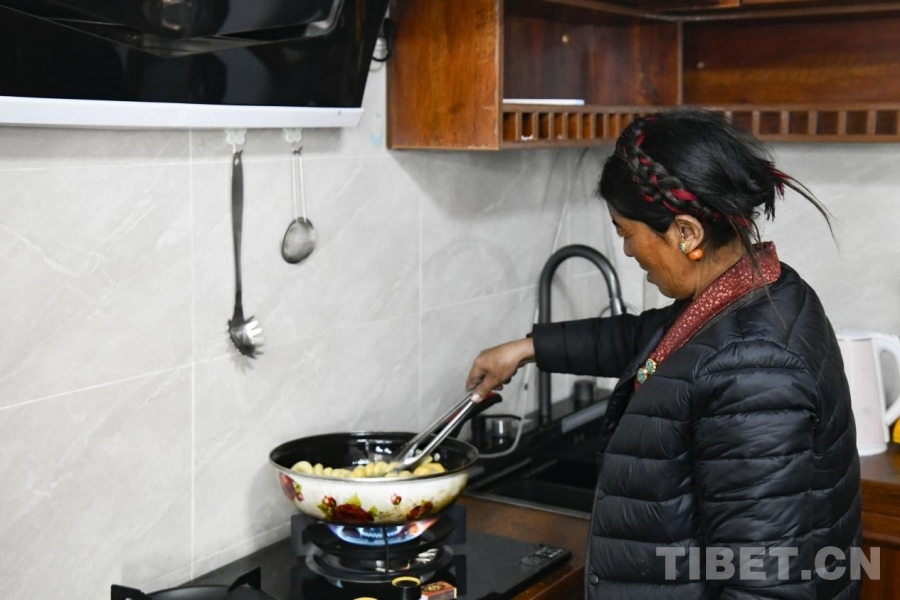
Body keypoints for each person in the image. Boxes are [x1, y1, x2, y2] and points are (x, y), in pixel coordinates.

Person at [466, 108, 862, 600]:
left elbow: (764, 585)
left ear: (686, 232)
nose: (628, 250)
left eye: (626, 232)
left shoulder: (752, 371)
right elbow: (646, 339)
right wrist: (527, 349)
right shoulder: (752, 290)